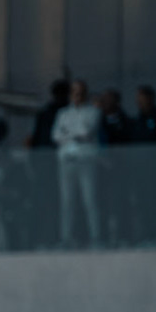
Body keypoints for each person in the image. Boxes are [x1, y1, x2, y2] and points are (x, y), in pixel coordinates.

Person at [53, 79, 104, 247]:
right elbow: (56, 136)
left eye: (81, 92)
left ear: (85, 93)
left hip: (86, 161)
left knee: (90, 200)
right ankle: (66, 238)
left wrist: (68, 133)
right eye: (74, 92)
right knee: (67, 202)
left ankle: (96, 238)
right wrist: (74, 135)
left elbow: (87, 132)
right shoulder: (63, 113)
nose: (78, 95)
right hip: (67, 161)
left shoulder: (93, 111)